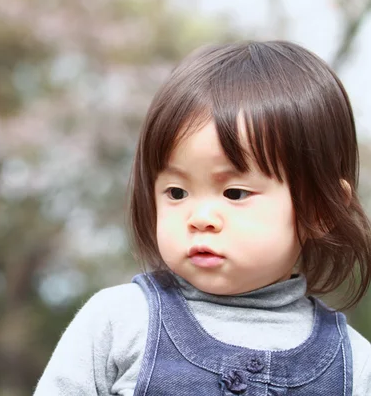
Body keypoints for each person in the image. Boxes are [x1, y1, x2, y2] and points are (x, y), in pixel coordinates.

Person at [33, 40, 371, 395]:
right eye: (177, 193)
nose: (200, 218)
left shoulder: (355, 366)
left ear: (319, 208)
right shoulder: (120, 321)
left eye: (235, 193)